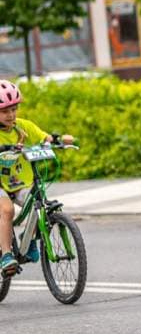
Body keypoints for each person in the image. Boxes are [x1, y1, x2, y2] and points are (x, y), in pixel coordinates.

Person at [0, 80, 74, 276]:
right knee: (6, 210)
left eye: (14, 109)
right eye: (5, 111)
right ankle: (6, 255)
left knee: (38, 204)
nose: (11, 115)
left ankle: (30, 239)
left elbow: (44, 138)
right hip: (1, 185)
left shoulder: (23, 126)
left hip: (21, 182)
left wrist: (59, 140)